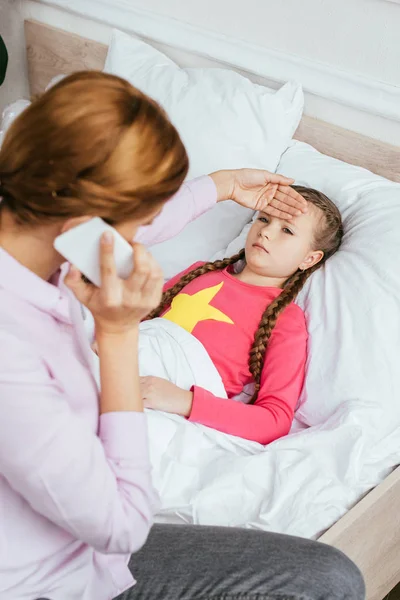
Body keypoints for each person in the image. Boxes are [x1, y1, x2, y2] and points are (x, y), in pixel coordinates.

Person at [0, 71, 364, 600]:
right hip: (52, 573)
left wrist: (223, 185)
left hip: (77, 541)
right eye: (134, 217)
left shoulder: (39, 239)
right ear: (83, 212)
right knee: (327, 581)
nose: (136, 237)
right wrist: (121, 336)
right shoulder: (16, 356)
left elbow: (273, 414)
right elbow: (121, 525)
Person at [140, 186, 343, 445]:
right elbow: (139, 320)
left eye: (287, 230)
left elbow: (274, 420)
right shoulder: (200, 272)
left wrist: (184, 400)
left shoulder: (285, 320)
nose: (266, 232)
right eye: (264, 218)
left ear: (309, 259)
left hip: (165, 395)